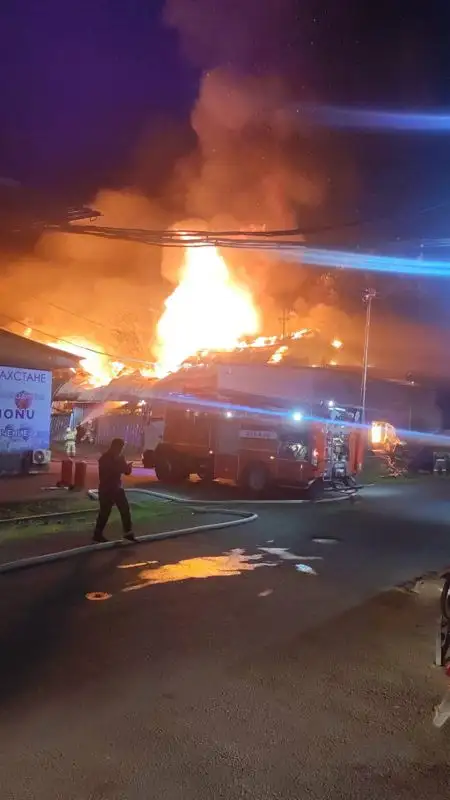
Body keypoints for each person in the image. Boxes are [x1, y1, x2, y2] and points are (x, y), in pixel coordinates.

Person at [93, 438, 135, 543]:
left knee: (124, 509)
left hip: (115, 488)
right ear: (115, 446)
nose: (121, 450)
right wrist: (122, 466)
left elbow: (126, 471)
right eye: (121, 447)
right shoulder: (105, 458)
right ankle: (97, 534)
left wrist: (128, 467)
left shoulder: (119, 457)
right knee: (105, 512)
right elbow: (110, 471)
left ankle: (128, 533)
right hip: (108, 488)